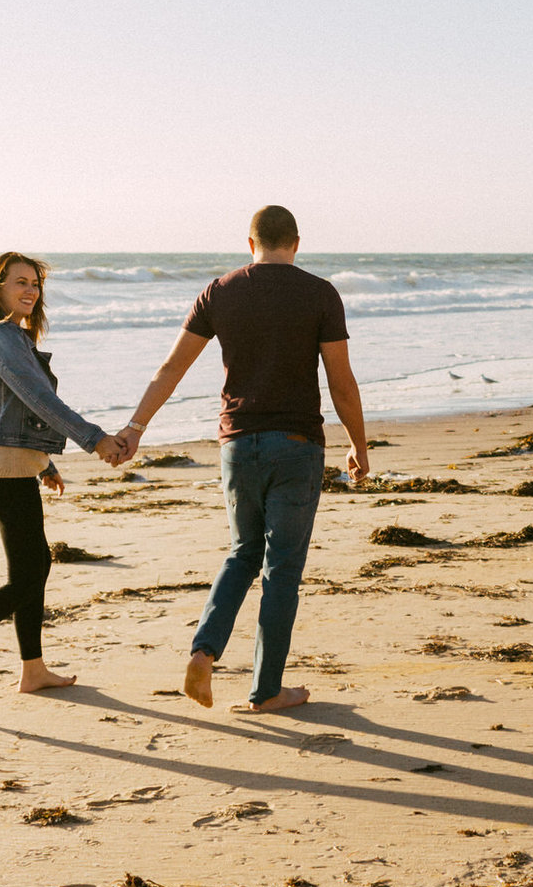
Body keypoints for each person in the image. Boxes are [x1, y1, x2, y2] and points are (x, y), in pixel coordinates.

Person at [117, 206, 371, 713]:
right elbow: (340, 382)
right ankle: (267, 689)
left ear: (248, 242)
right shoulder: (320, 293)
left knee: (242, 554)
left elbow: (171, 368)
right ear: (296, 242)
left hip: (236, 445)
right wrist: (359, 446)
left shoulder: (220, 290)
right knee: (282, 569)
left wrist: (135, 427)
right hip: (297, 446)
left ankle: (204, 652)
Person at [0, 252, 131, 703]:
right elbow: (36, 398)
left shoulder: (8, 336)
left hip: (8, 465)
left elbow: (9, 409)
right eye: (20, 282)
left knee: (30, 568)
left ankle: (32, 670)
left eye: (35, 283)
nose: (30, 290)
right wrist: (94, 439)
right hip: (1, 470)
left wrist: (45, 462)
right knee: (31, 573)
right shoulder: (1, 336)